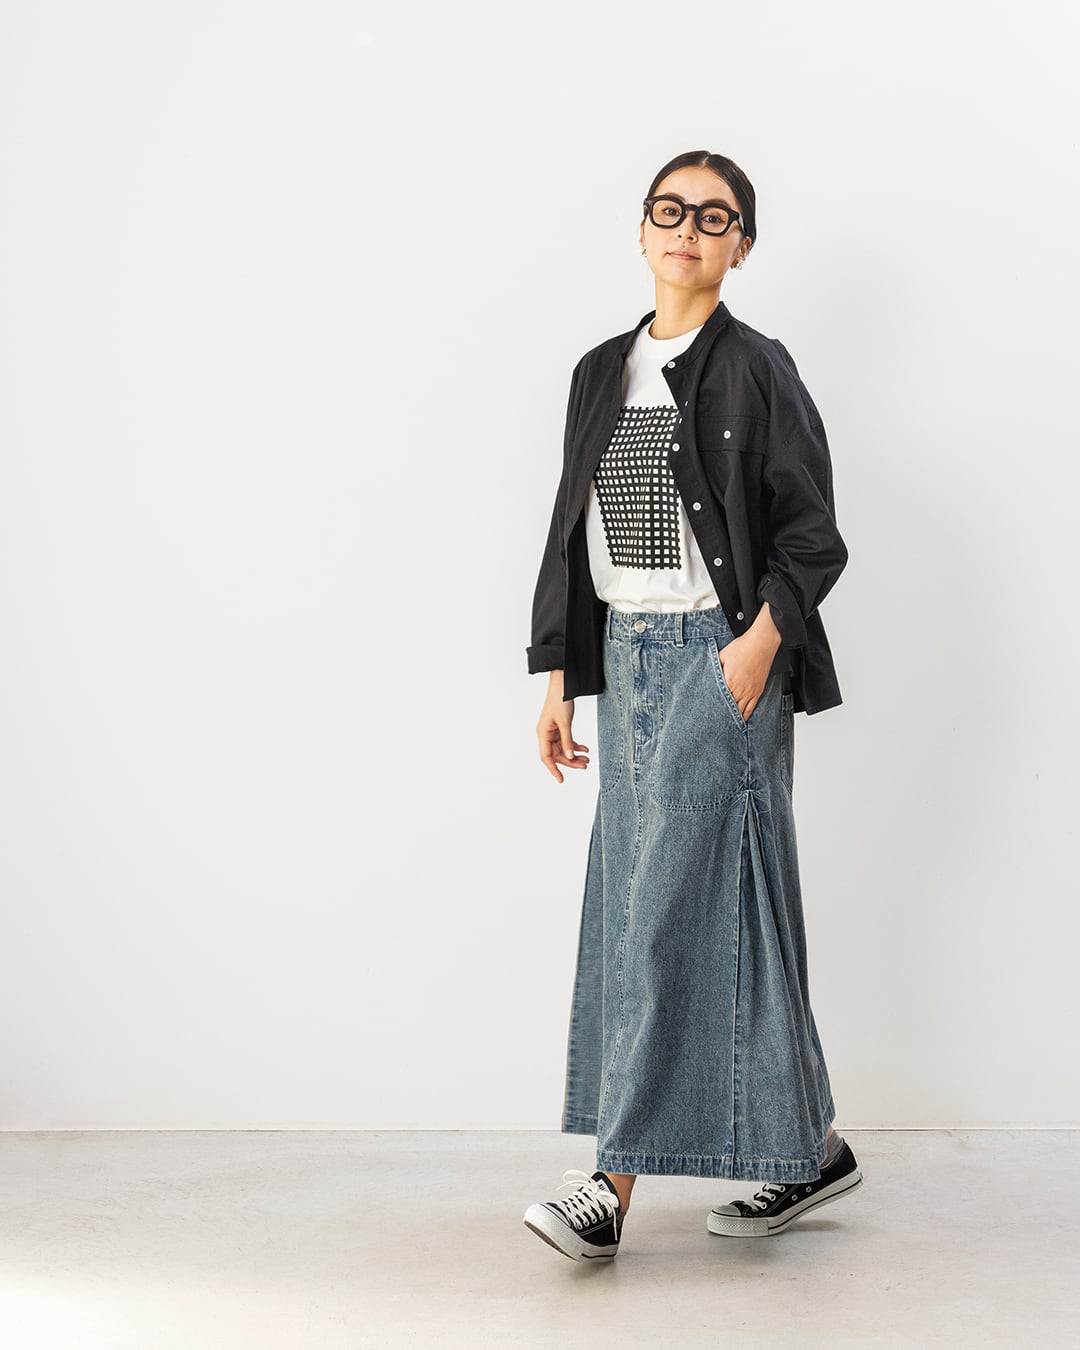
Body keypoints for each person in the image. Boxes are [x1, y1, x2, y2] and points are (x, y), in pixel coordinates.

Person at [521, 150, 864, 1263]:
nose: (688, 230)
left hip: (722, 660)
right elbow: (572, 530)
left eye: (715, 218)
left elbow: (814, 537)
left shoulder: (758, 368)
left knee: (664, 910)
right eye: (670, 211)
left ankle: (611, 1183)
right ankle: (810, 1149)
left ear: (741, 247)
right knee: (683, 902)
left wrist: (754, 650)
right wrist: (562, 678)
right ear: (641, 230)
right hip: (626, 658)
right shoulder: (598, 372)